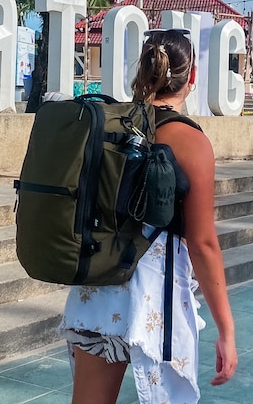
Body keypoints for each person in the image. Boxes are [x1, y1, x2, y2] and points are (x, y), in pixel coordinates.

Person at [58, 28, 237, 404]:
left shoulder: (110, 124)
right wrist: (226, 329)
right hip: (155, 294)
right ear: (192, 77)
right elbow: (203, 244)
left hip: (99, 284)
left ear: (142, 70)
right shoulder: (191, 141)